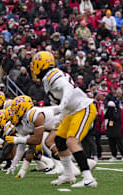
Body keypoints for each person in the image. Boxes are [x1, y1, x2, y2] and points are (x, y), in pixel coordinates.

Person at [30, 51, 97, 187]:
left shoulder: (51, 75)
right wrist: (60, 117)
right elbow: (64, 99)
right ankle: (68, 174)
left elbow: (67, 88)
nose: (33, 68)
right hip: (73, 111)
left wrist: (62, 105)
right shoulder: (48, 78)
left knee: (71, 141)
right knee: (59, 140)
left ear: (40, 64)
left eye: (35, 64)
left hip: (83, 108)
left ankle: (88, 179)